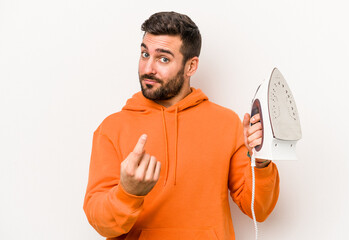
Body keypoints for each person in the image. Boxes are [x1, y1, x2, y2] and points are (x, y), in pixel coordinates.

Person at [83, 11, 279, 240]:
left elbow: (259, 209)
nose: (148, 68)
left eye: (163, 59)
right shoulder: (112, 128)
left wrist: (261, 159)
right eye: (145, 54)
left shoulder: (226, 123)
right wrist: (128, 193)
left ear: (191, 66)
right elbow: (102, 224)